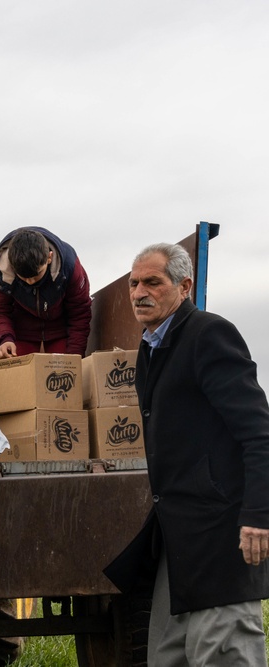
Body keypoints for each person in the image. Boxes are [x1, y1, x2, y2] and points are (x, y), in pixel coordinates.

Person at [104, 243, 269, 665]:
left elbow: (259, 432)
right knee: (167, 657)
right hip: (177, 542)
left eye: (152, 282)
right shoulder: (150, 348)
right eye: (134, 282)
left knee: (224, 652)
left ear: (184, 286)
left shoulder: (208, 335)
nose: (139, 291)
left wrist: (258, 517)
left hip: (221, 537)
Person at [0, 226, 92, 359]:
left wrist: (75, 356)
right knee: (19, 371)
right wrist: (5, 338)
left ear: (49, 257)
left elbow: (80, 312)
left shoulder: (70, 266)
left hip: (60, 327)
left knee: (65, 369)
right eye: (23, 277)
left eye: (36, 275)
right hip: (21, 329)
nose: (30, 282)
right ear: (12, 266)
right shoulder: (0, 270)